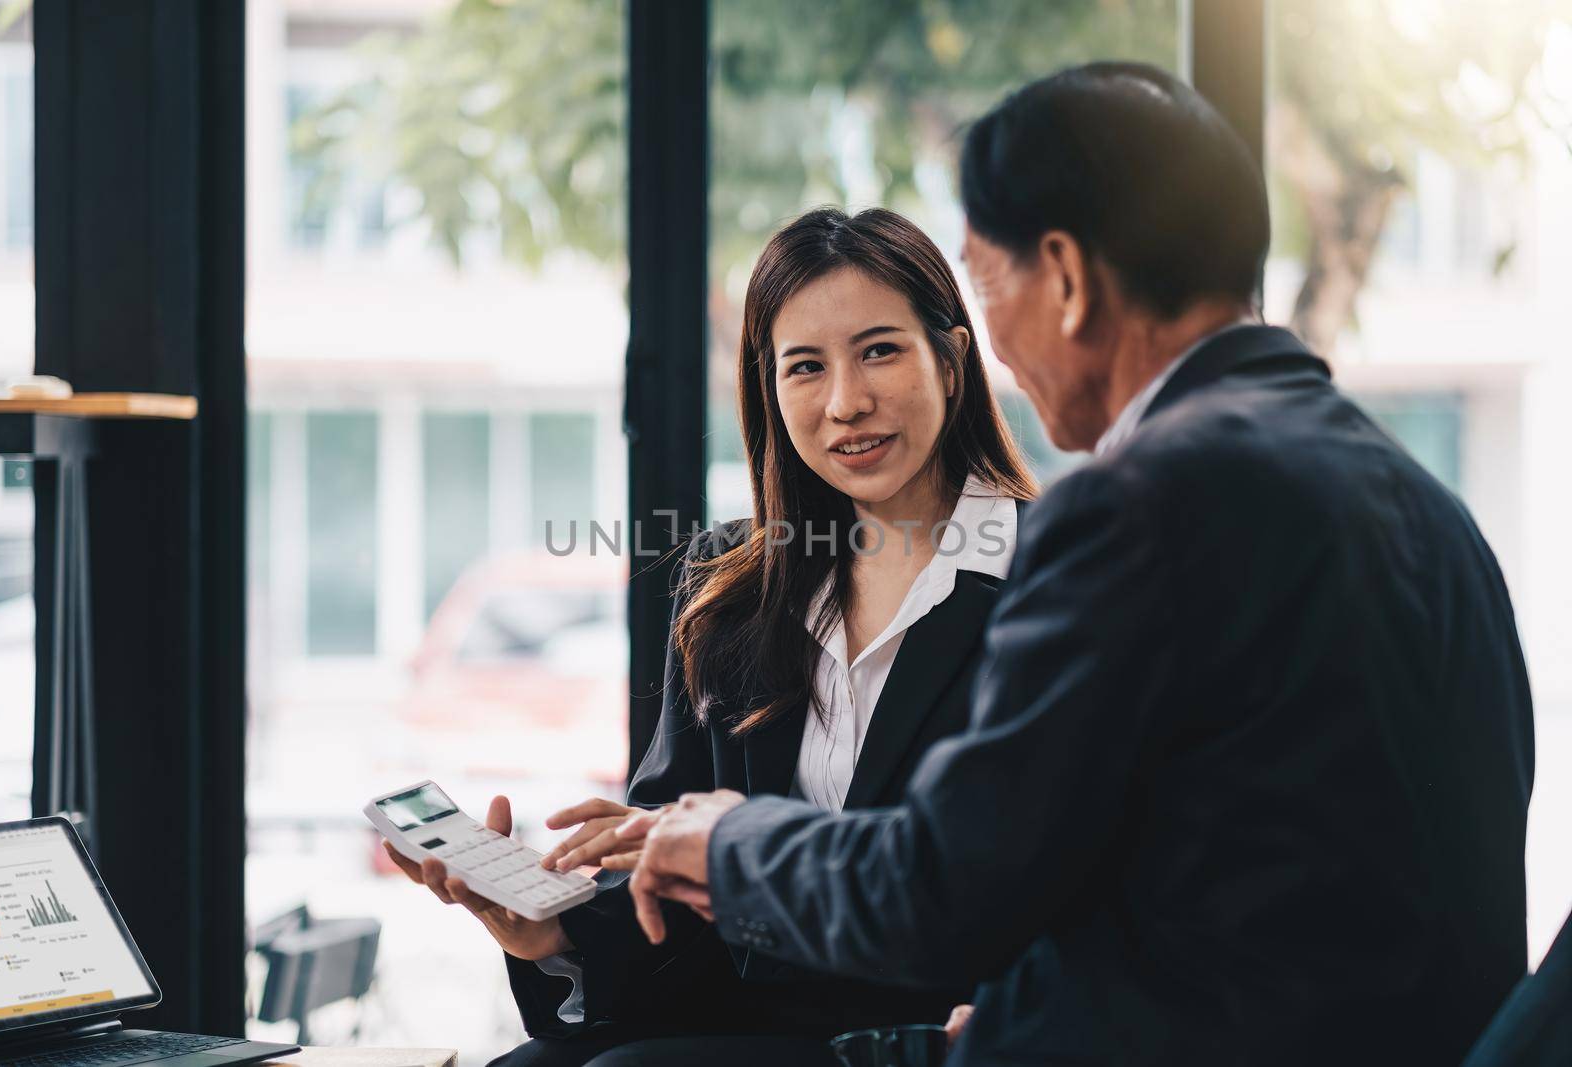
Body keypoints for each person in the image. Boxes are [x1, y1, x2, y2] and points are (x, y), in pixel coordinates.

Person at [613, 62, 1536, 1065]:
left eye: (985, 276)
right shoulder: (1422, 503)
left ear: (1064, 277)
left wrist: (729, 840)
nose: (996, 345)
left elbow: (944, 888)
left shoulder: (1140, 504)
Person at [385, 206, 1038, 1065]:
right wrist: (555, 932)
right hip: (749, 1022)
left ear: (951, 361)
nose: (846, 402)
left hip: (943, 1032)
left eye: (879, 350)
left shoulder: (1053, 577)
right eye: (804, 367)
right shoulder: (729, 586)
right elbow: (677, 887)